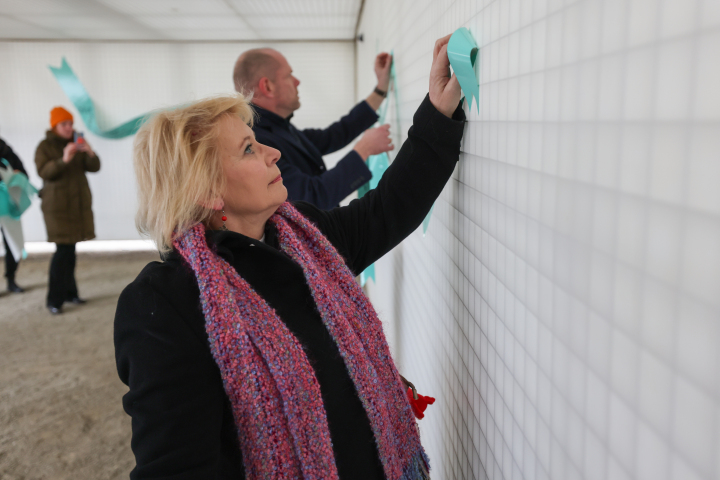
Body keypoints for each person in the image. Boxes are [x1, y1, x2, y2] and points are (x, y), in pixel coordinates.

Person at [115, 35, 463, 479]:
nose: (272, 151)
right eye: (248, 148)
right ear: (206, 189)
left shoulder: (301, 236)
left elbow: (388, 210)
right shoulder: (165, 305)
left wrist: (438, 110)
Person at [233, 48, 394, 209]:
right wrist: (364, 149)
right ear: (267, 86)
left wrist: (380, 90)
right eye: (289, 75)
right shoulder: (256, 143)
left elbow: (334, 135)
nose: (297, 81)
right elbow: (310, 197)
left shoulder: (279, 127)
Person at [35, 107, 100, 315]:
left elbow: (95, 166)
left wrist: (89, 151)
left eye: (70, 123)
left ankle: (71, 293)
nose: (69, 127)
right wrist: (63, 160)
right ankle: (54, 299)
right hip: (57, 209)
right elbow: (43, 172)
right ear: (54, 126)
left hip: (76, 206)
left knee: (70, 252)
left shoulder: (77, 142)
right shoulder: (45, 146)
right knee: (62, 253)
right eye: (64, 124)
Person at [0, 137, 28, 293]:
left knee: (13, 243)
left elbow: (24, 174)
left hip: (8, 206)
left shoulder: (6, 151)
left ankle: (11, 279)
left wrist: (17, 175)